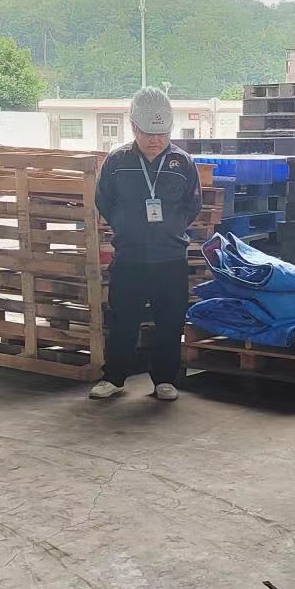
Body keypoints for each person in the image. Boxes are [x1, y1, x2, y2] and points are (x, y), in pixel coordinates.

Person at [90, 87, 201, 402]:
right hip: (130, 257)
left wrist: (171, 229)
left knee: (170, 321)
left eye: (162, 133)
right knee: (123, 320)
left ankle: (164, 379)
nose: (156, 140)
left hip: (170, 258)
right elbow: (104, 200)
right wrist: (127, 227)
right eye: (148, 133)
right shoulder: (117, 162)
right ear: (133, 127)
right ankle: (114, 377)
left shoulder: (182, 163)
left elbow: (192, 204)